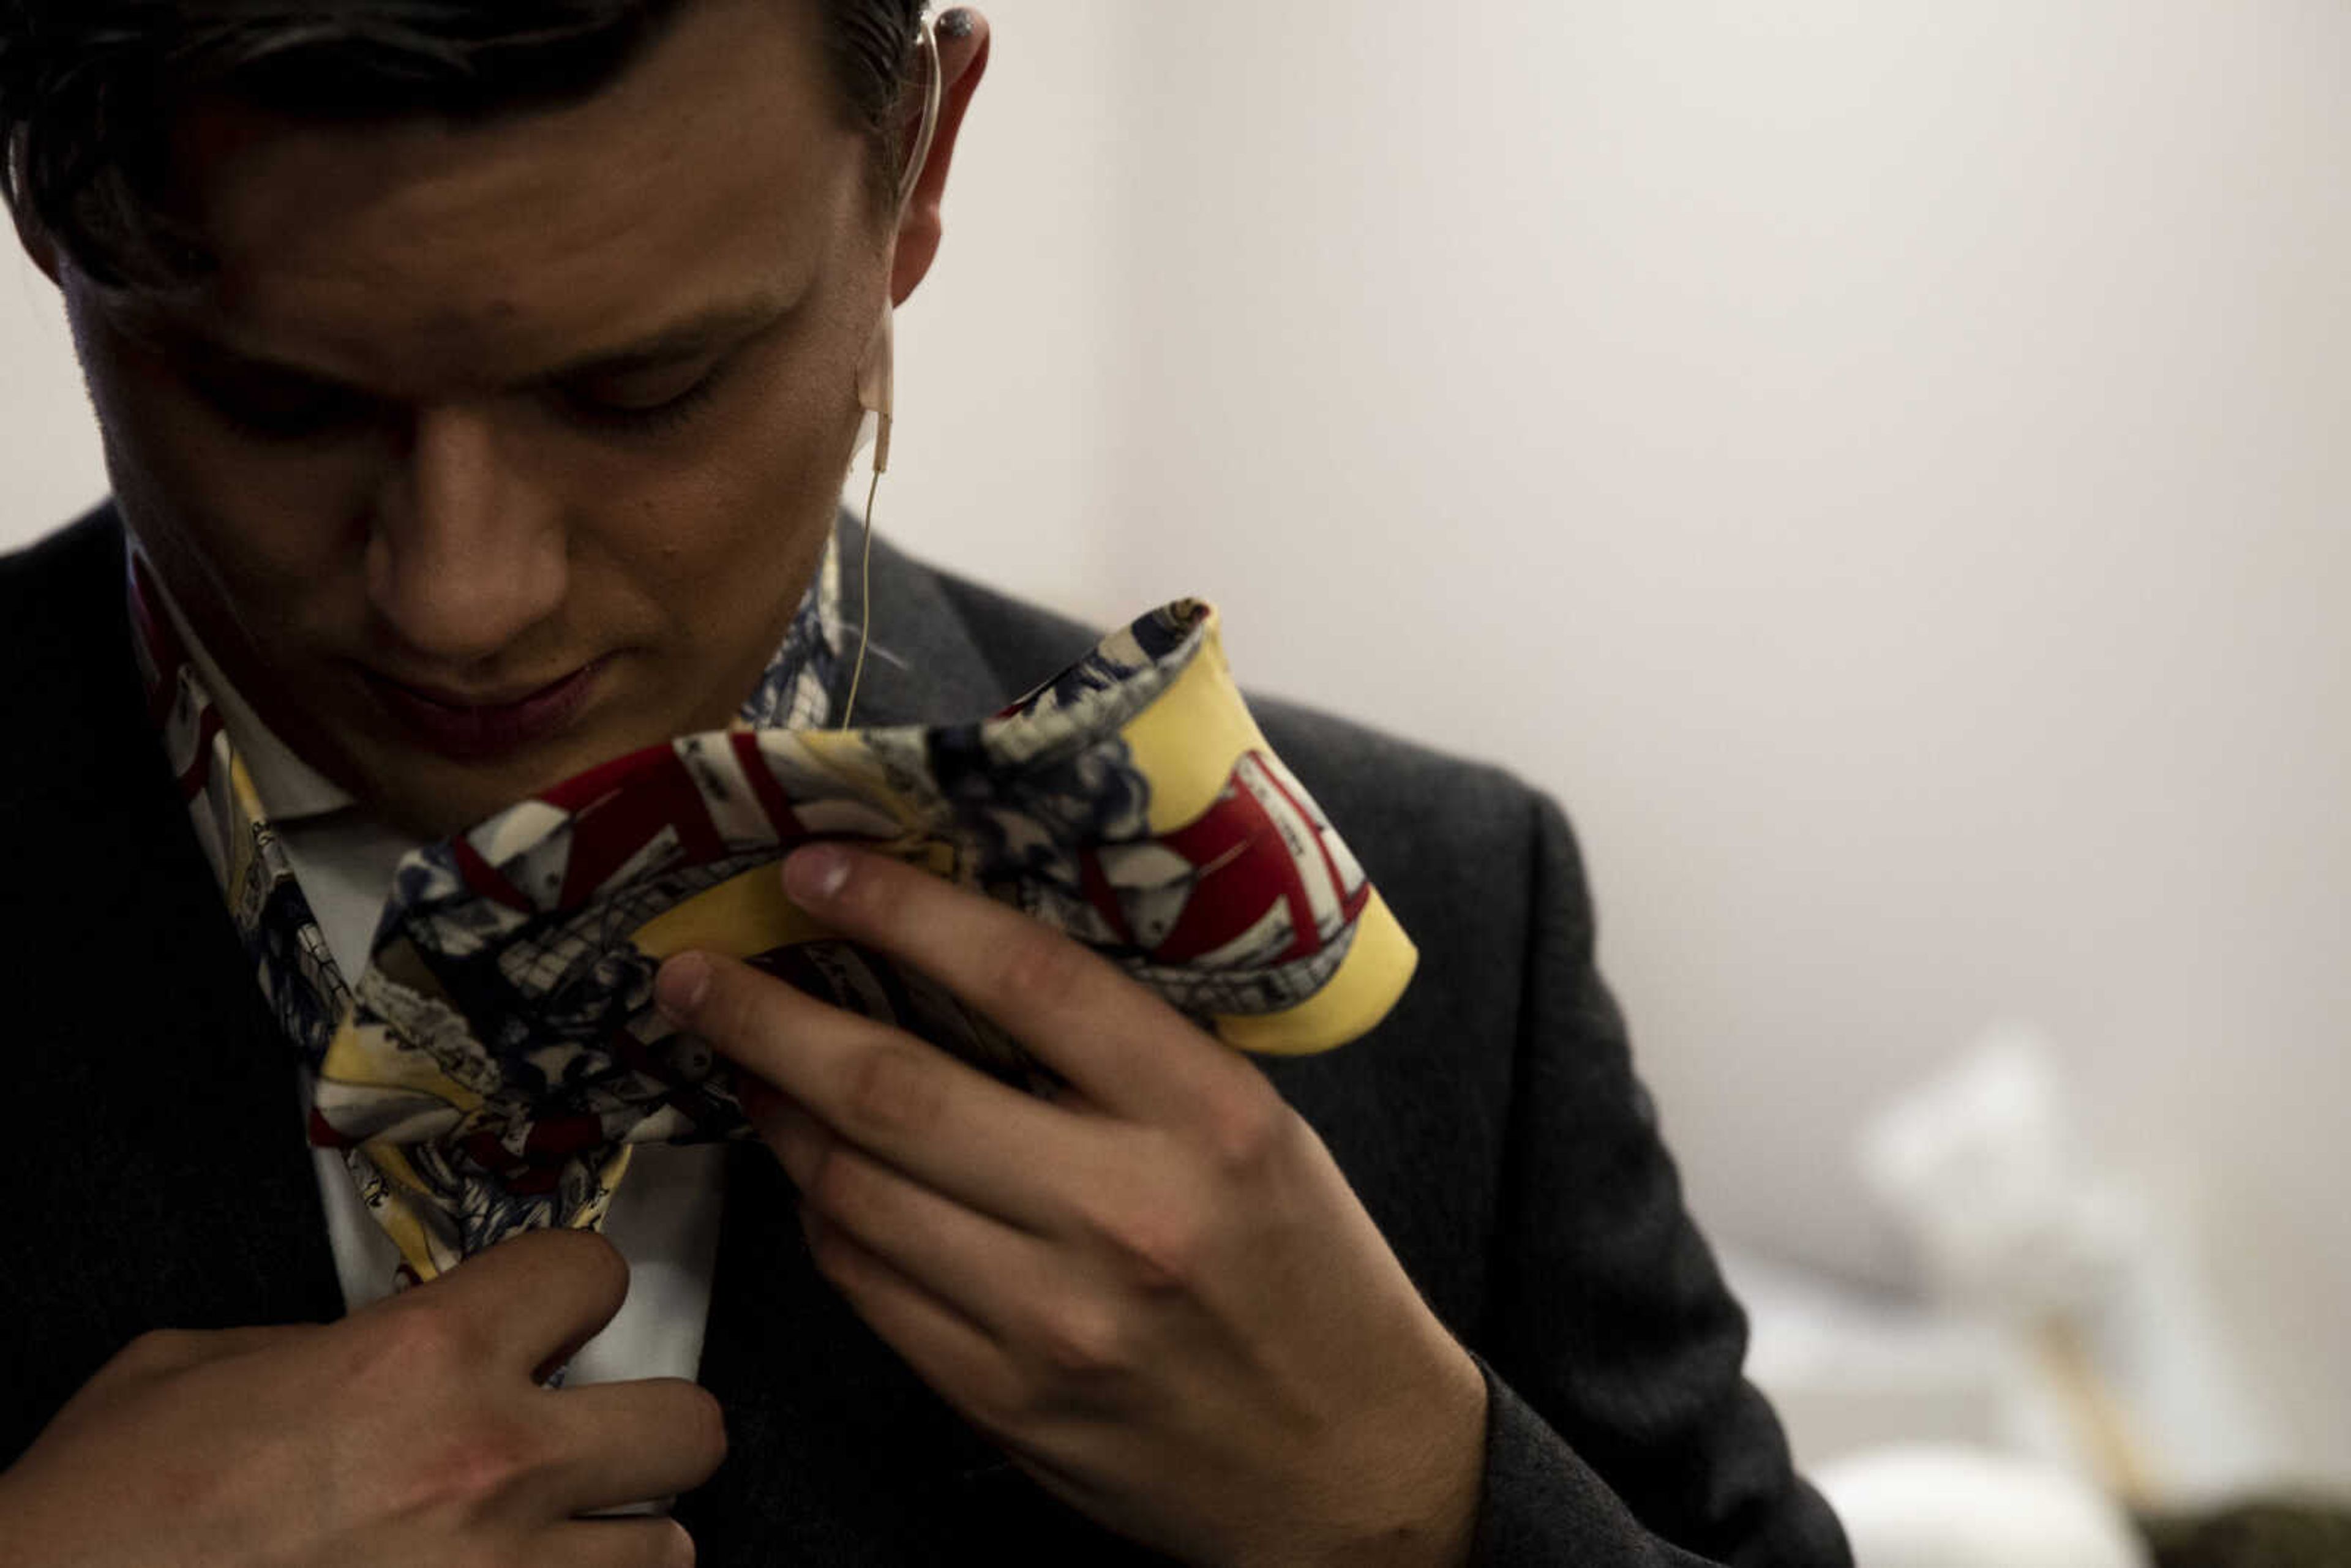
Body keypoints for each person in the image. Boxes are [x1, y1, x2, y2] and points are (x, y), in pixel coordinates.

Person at [0, 2, 1851, 1563]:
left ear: (918, 166)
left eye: (645, 388)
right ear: (35, 201)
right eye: (278, 402)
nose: (464, 594)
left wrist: (1415, 1503)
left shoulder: (1446, 919)